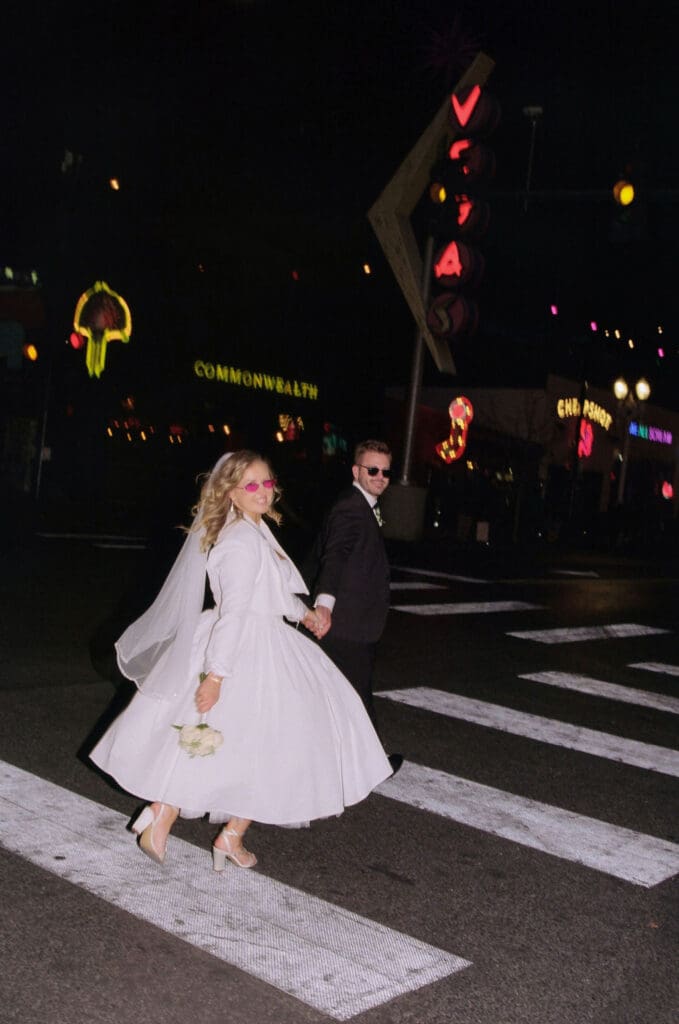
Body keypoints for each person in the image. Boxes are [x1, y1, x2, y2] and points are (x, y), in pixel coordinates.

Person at [89, 450, 392, 869]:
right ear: (231, 492)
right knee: (264, 743)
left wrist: (303, 611)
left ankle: (199, 825)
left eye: (267, 483)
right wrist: (217, 675)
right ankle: (173, 814)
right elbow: (234, 611)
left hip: (259, 638)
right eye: (251, 485)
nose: (263, 492)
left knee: (256, 744)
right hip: (246, 648)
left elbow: (269, 591)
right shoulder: (239, 541)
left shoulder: (255, 530)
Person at [309, 440, 402, 774]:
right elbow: (334, 556)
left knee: (346, 693)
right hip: (346, 622)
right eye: (372, 470)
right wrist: (325, 605)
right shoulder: (351, 506)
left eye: (385, 471)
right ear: (356, 471)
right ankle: (372, 765)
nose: (380, 476)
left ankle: (351, 761)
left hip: (355, 620)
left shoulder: (365, 505)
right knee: (357, 693)